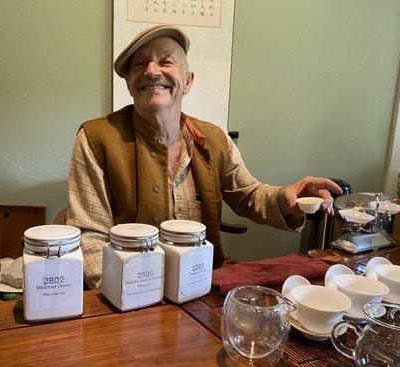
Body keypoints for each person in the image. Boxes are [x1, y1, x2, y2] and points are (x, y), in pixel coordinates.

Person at [66, 24, 342, 288]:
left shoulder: (214, 139)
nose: (151, 70)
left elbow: (249, 195)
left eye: (166, 61)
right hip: (131, 294)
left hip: (205, 284)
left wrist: (285, 197)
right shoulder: (95, 138)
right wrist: (131, 297)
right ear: (129, 84)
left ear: (187, 81)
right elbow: (91, 239)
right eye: (140, 64)